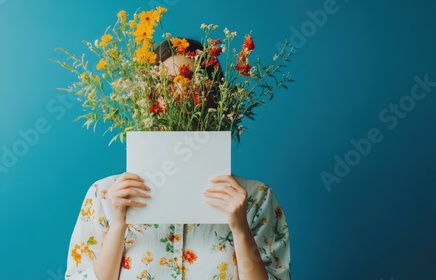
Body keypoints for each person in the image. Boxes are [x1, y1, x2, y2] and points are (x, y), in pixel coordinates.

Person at [65, 39, 291, 280]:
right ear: (149, 97)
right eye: (168, 83)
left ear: (214, 96)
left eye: (195, 82)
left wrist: (240, 229)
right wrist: (119, 224)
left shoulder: (257, 198)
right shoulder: (104, 196)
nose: (181, 92)